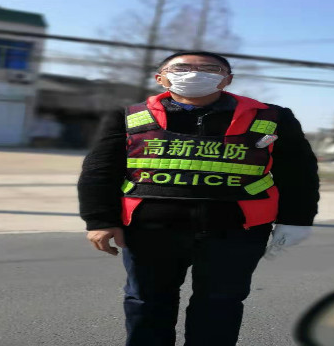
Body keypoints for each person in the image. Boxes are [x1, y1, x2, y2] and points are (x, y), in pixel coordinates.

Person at [78, 51, 319, 346]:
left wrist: (296, 220)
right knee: (147, 301)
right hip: (149, 229)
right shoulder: (127, 116)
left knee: (221, 303)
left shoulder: (272, 116)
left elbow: (298, 172)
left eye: (209, 68)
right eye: (181, 68)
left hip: (237, 230)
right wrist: (99, 220)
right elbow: (100, 170)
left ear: (227, 80)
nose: (194, 73)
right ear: (160, 78)